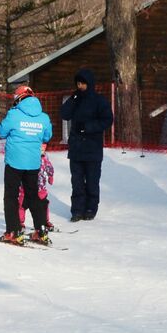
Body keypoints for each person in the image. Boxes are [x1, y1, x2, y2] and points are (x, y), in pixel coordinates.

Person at [0, 85, 53, 245]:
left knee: (11, 196)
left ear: (18, 99)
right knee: (33, 195)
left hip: (14, 162)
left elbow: (1, 132)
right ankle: (41, 230)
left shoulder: (14, 114)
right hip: (33, 163)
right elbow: (47, 135)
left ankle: (13, 231)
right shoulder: (43, 117)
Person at [59, 68, 114, 222]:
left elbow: (107, 119)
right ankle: (77, 210)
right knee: (76, 182)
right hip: (76, 148)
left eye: (83, 83)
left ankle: (91, 208)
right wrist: (73, 98)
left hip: (92, 148)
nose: (80, 85)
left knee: (92, 181)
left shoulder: (99, 101)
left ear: (89, 83)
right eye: (78, 83)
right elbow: (64, 114)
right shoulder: (75, 99)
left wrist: (88, 127)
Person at [19, 147, 54, 232]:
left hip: (41, 188)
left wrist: (50, 176)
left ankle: (45, 221)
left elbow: (50, 168)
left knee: (43, 205)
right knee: (22, 205)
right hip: (26, 189)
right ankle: (19, 223)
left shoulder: (45, 158)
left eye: (43, 149)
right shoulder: (26, 157)